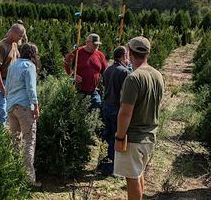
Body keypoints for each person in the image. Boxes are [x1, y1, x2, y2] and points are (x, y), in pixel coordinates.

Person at [114, 36, 164, 199]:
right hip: (149, 134)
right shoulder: (157, 75)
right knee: (139, 173)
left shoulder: (133, 78)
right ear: (147, 53)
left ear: (129, 52)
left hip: (133, 138)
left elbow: (125, 113)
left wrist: (120, 137)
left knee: (132, 177)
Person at [6, 43, 41, 187]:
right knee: (29, 141)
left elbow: (7, 86)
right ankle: (28, 178)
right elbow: (31, 89)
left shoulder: (13, 65)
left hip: (11, 106)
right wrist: (36, 106)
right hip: (24, 107)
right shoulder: (29, 66)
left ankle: (13, 173)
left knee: (15, 140)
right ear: (33, 54)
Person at [98, 46, 130, 175]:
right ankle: (113, 166)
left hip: (107, 107)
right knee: (117, 137)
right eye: (127, 56)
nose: (128, 59)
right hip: (118, 109)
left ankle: (106, 161)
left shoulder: (108, 70)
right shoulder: (124, 72)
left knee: (108, 134)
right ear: (123, 56)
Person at [0, 23, 26, 126]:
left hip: (12, 81)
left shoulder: (14, 44)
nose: (21, 38)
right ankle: (0, 134)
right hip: (2, 81)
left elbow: (17, 59)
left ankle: (10, 128)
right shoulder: (1, 47)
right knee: (3, 108)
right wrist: (2, 88)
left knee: (12, 107)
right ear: (13, 33)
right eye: (20, 36)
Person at [63, 33, 107, 109]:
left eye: (98, 44)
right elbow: (67, 64)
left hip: (94, 90)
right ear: (88, 42)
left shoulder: (100, 55)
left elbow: (105, 71)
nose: (97, 46)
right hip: (79, 90)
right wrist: (73, 75)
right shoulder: (77, 52)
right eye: (94, 44)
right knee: (78, 111)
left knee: (97, 107)